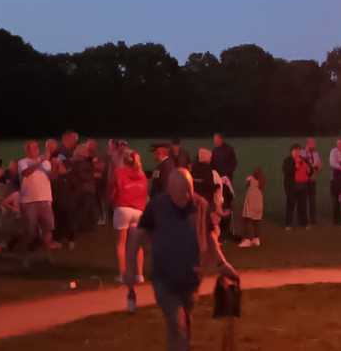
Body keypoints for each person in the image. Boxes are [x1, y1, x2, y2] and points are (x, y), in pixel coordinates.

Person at [125, 168, 238, 351]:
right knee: (178, 324)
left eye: (189, 189)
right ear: (169, 190)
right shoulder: (157, 206)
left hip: (192, 279)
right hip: (165, 279)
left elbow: (210, 236)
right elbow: (137, 235)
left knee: (182, 325)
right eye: (181, 192)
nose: (187, 195)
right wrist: (130, 268)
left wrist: (222, 263)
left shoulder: (200, 204)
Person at [110, 150, 148, 285]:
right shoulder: (142, 175)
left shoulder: (119, 172)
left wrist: (112, 202)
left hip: (123, 208)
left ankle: (123, 275)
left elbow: (114, 190)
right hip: (138, 211)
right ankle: (140, 275)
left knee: (121, 243)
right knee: (138, 245)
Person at [16, 140, 56, 263]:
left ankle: (47, 255)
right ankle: (25, 257)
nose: (35, 150)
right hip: (29, 201)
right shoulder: (23, 162)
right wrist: (40, 162)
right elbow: (26, 173)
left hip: (45, 199)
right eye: (32, 148)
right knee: (30, 231)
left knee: (48, 229)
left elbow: (52, 177)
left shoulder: (46, 163)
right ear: (27, 150)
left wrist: (55, 167)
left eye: (36, 148)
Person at [282, 144, 311, 230]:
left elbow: (309, 172)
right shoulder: (288, 160)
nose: (297, 152)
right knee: (290, 205)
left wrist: (310, 171)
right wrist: (295, 167)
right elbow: (286, 171)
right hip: (292, 186)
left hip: (303, 186)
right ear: (291, 152)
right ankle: (288, 224)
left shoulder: (304, 159)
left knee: (303, 206)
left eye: (298, 150)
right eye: (295, 150)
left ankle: (304, 223)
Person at [238, 167, 264, 248]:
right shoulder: (262, 181)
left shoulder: (250, 179)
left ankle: (248, 240)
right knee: (256, 221)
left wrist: (249, 179)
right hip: (259, 202)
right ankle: (256, 239)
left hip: (251, 202)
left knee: (248, 220)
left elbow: (246, 185)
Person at [299, 138, 322, 225]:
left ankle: (313, 219)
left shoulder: (316, 154)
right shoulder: (302, 152)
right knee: (303, 200)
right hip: (304, 180)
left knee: (312, 200)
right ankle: (303, 220)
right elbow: (300, 164)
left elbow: (319, 165)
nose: (314, 145)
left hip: (312, 180)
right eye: (313, 143)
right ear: (308, 143)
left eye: (314, 143)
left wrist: (317, 168)